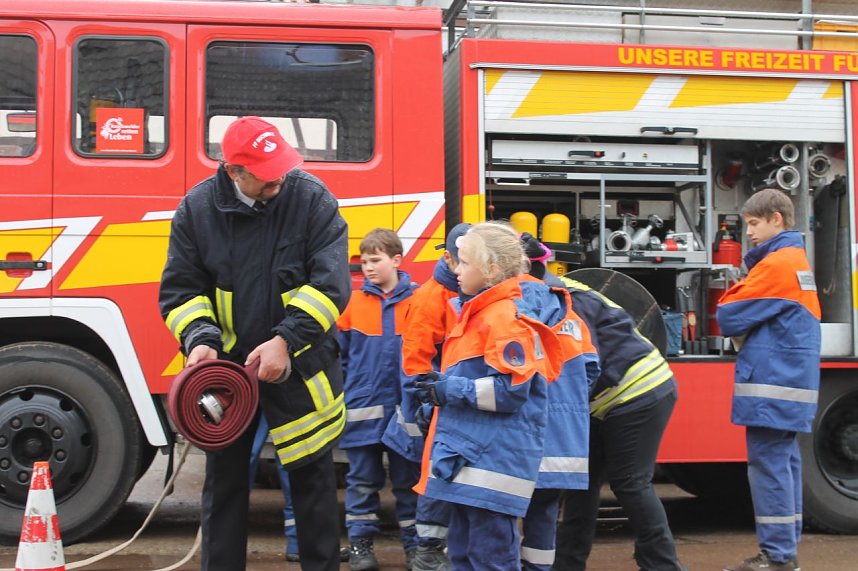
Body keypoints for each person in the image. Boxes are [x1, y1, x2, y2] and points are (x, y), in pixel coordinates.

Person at [159, 116, 350, 571]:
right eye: (266, 177)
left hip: (300, 372)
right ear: (233, 172)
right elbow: (181, 292)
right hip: (230, 378)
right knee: (223, 489)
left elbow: (331, 286)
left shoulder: (311, 199)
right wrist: (200, 342)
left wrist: (286, 341)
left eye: (282, 169)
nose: (278, 182)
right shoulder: (197, 210)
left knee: (313, 487)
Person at [413, 222, 565, 571]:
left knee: (489, 558)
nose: (456, 269)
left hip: (489, 463)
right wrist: (439, 394)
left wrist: (449, 390)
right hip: (472, 459)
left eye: (465, 262)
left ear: (492, 268)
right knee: (466, 555)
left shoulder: (504, 318)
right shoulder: (480, 311)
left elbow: (510, 392)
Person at [717, 188, 821, 571]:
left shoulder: (777, 265)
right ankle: (784, 552)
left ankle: (776, 557)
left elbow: (728, 314)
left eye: (755, 224)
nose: (750, 233)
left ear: (777, 219)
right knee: (784, 464)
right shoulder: (796, 261)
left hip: (772, 385)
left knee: (770, 468)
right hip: (788, 382)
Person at [551, 276, 684, 571]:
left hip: (638, 391)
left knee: (631, 483)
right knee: (579, 483)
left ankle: (663, 566)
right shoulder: (552, 295)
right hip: (606, 399)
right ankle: (566, 564)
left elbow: (585, 363)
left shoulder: (564, 301)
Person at [382, 223, 469, 571]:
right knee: (437, 476)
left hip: (452, 403)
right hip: (434, 408)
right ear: (449, 258)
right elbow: (415, 362)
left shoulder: (468, 293)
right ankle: (428, 552)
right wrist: (430, 402)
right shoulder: (432, 298)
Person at [336, 228, 419, 571]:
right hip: (363, 410)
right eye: (364, 261)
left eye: (375, 260)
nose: (367, 268)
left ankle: (417, 549)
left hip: (405, 412)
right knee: (362, 482)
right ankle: (360, 548)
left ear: (396, 260)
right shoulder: (353, 304)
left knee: (409, 484)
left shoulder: (419, 301)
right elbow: (340, 359)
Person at [516, 235, 599, 571]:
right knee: (544, 518)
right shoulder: (571, 316)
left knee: (502, 521)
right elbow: (591, 372)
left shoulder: (510, 312)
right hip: (564, 448)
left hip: (522, 444)